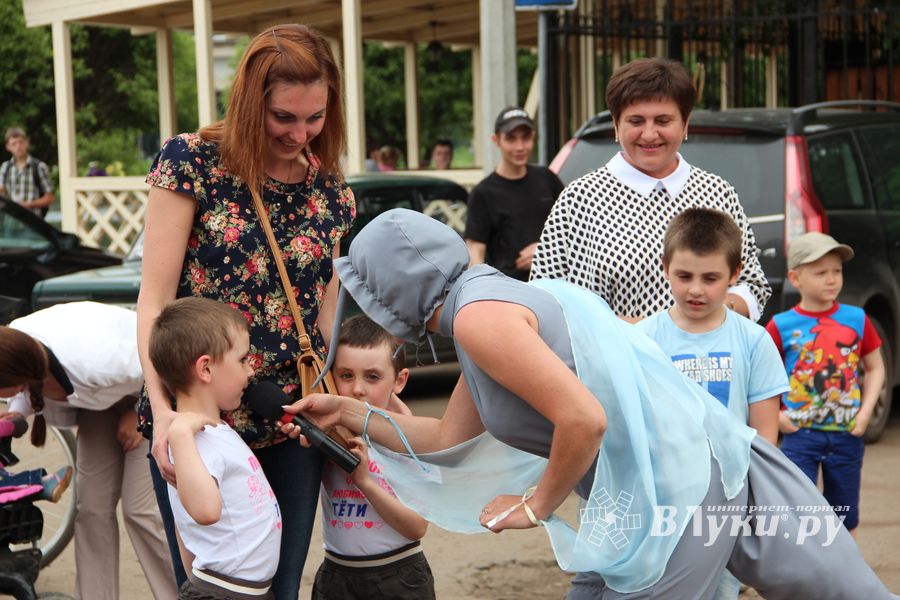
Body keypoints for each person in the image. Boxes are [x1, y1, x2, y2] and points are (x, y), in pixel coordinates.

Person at [284, 209, 896, 600]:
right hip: (653, 487)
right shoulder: (482, 303)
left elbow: (584, 419)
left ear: (393, 291)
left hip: (677, 489)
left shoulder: (476, 319)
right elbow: (446, 436)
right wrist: (349, 414)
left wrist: (535, 504)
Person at [136, 23, 355, 599]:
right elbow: (154, 303)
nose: (301, 132)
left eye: (315, 117)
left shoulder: (331, 188)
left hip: (288, 419)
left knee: (281, 588)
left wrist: (344, 393)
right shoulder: (192, 162)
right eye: (284, 117)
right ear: (248, 101)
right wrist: (164, 415)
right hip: (199, 419)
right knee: (214, 589)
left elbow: (324, 317)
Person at [531, 58, 771, 322]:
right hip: (613, 360)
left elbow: (752, 286)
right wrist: (629, 330)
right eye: (636, 121)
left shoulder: (717, 192)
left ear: (685, 122)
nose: (649, 134)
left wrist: (706, 317)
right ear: (616, 123)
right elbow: (543, 300)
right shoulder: (579, 199)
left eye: (662, 120)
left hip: (704, 360)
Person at [635, 208, 788, 600]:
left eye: (711, 278)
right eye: (684, 276)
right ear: (665, 266)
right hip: (661, 503)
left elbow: (764, 437)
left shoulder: (754, 342)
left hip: (725, 503)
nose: (696, 290)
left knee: (718, 592)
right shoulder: (643, 339)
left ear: (735, 275)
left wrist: (755, 508)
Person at [0, 302, 177, 600]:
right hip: (100, 401)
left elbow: (159, 364)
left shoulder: (94, 358)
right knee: (91, 508)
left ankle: (180, 595)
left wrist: (139, 414)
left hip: (152, 389)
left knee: (140, 511)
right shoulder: (18, 349)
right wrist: (16, 416)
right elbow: (29, 390)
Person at [149, 297, 281, 600]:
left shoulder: (213, 430)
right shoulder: (191, 440)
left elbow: (186, 532)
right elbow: (205, 512)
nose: (250, 371)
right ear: (206, 368)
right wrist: (180, 434)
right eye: (242, 360)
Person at [765, 232, 885, 538]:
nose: (832, 279)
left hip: (846, 434)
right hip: (799, 435)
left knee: (845, 515)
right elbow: (763, 377)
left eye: (837, 271)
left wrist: (864, 414)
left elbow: (875, 368)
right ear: (795, 277)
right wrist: (779, 417)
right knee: (798, 510)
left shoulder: (856, 318)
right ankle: (804, 579)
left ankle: (847, 579)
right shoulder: (780, 326)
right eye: (821, 272)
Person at [312, 314, 434, 600]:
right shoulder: (330, 432)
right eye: (346, 375)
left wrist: (365, 481)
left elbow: (417, 526)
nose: (357, 389)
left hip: (399, 575)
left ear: (399, 380)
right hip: (336, 574)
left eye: (372, 377)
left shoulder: (412, 440)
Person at [465, 107, 564, 282]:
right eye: (510, 139)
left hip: (556, 287)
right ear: (496, 140)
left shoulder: (547, 179)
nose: (520, 147)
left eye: (525, 138)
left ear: (533, 137)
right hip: (509, 292)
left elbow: (576, 230)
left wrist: (545, 251)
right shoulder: (483, 193)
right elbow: (475, 254)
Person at [0, 127, 54, 217]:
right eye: (14, 144)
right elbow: (2, 189)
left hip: (33, 221)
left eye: (21, 142)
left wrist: (29, 204)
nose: (18, 146)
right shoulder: (5, 167)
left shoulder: (38, 167)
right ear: (8, 147)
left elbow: (50, 198)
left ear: (27, 143)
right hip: (11, 220)